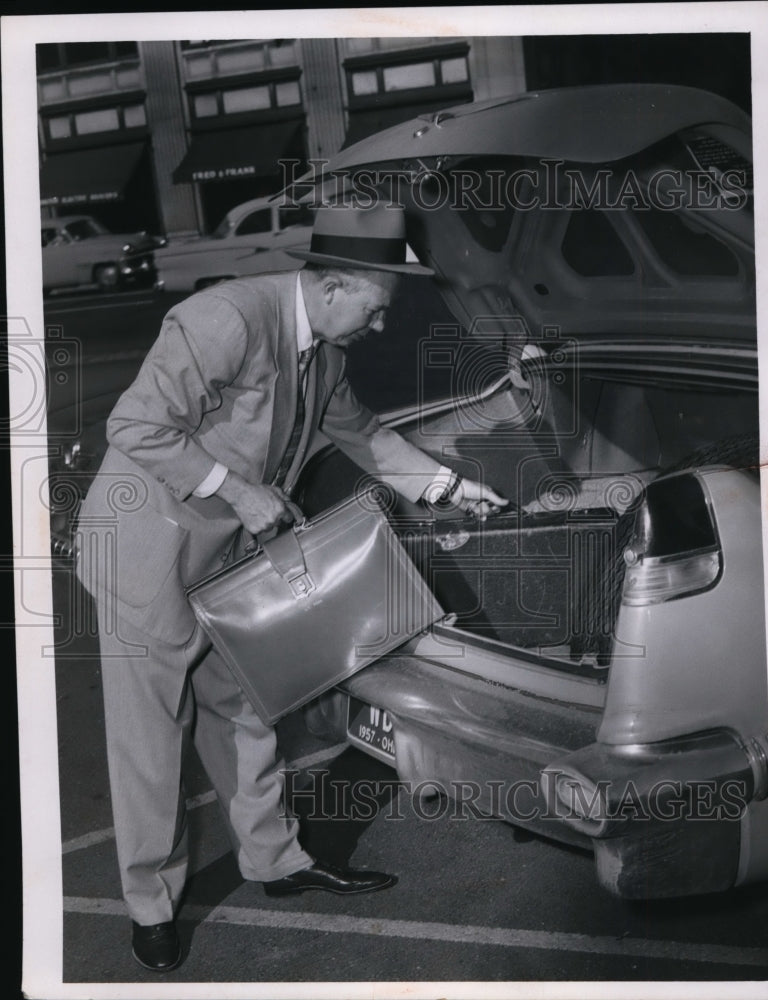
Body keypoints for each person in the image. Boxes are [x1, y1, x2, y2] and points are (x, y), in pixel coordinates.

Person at [75, 201, 507, 973]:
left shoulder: (327, 354)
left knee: (245, 708)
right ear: (334, 285)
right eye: (374, 312)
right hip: (148, 551)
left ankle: (273, 860)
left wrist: (446, 487)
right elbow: (135, 426)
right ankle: (150, 904)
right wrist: (240, 491)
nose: (378, 329)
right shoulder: (226, 318)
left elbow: (363, 434)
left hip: (223, 556)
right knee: (149, 737)